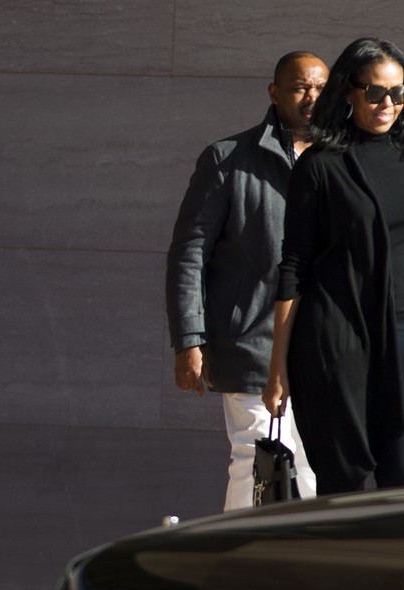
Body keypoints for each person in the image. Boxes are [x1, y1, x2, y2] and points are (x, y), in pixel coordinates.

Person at [262, 37, 404, 496]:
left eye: (400, 93)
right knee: (346, 486)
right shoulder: (319, 167)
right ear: (348, 92)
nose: (388, 104)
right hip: (338, 338)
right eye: (375, 91)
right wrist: (277, 365)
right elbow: (294, 266)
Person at [166, 51, 328, 511]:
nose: (312, 96)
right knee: (257, 461)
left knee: (312, 468)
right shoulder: (228, 159)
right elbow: (188, 253)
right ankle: (238, 569)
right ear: (275, 92)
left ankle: (299, 572)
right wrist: (188, 340)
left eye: (320, 87)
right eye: (300, 87)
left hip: (323, 346)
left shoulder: (343, 161)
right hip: (251, 342)